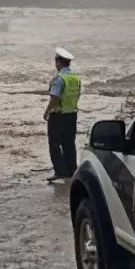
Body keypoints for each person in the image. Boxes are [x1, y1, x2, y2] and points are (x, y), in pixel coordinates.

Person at [45, 47, 81, 183]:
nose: (55, 64)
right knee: (69, 144)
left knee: (54, 144)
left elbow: (54, 98)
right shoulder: (75, 78)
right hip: (72, 115)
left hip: (59, 116)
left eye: (56, 61)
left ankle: (60, 172)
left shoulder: (59, 79)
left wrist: (47, 111)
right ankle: (71, 170)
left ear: (59, 62)